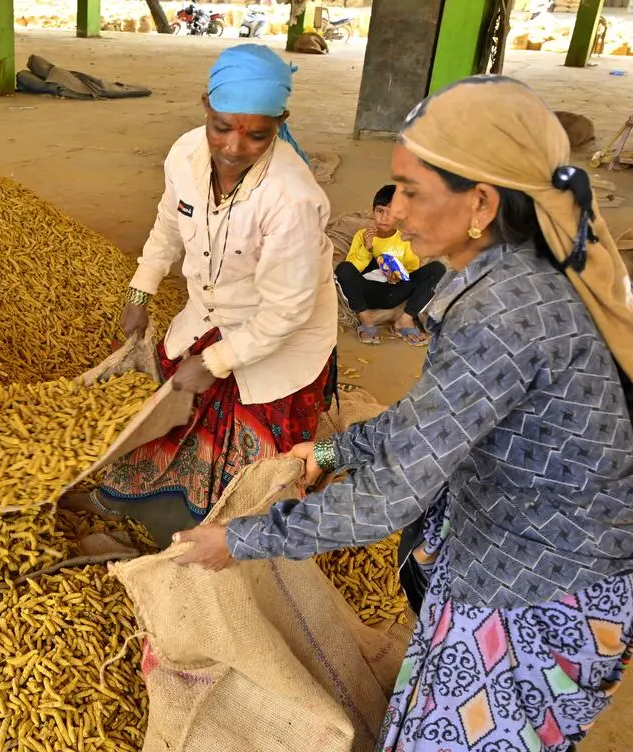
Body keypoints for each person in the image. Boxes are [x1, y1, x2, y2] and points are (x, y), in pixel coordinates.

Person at [174, 76, 633, 751]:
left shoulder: (506, 309)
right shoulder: (513, 272)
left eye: (412, 192)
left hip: (541, 587)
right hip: (509, 554)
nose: (394, 211)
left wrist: (239, 540)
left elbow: (391, 499)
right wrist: (330, 453)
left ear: (479, 203)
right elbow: (432, 417)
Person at [61, 45, 337, 536]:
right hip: (211, 314)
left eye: (257, 135)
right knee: (168, 408)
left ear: (280, 122)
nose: (234, 146)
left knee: (249, 447)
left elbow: (287, 310)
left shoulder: (290, 197)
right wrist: (142, 289)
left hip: (279, 335)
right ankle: (131, 499)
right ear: (205, 107)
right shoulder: (186, 155)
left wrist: (214, 363)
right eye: (222, 126)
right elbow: (170, 221)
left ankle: (227, 533)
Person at [335, 184, 446, 345]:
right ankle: (366, 319)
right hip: (366, 292)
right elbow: (352, 268)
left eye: (391, 213)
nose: (384, 218)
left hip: (394, 292)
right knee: (343, 269)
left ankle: (405, 319)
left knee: (438, 268)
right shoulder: (362, 235)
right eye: (380, 211)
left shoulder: (405, 239)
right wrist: (367, 249)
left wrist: (398, 276)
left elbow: (412, 270)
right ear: (373, 211)